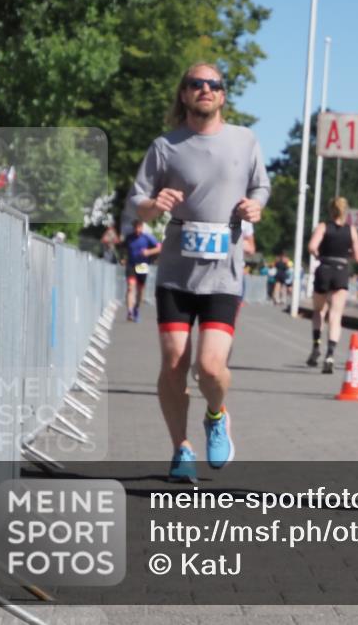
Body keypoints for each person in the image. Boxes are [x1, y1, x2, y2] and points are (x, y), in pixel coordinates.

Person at [127, 62, 270, 483]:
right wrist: (155, 205)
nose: (205, 89)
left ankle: (216, 413)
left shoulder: (244, 140)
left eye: (213, 84)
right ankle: (180, 450)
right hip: (176, 273)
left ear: (223, 95)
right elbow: (139, 198)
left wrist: (255, 206)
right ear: (184, 94)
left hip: (224, 274)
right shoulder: (166, 146)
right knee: (173, 363)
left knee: (210, 367)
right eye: (196, 84)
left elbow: (260, 186)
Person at [306, 197, 358, 373]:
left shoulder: (324, 227)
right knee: (336, 315)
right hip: (340, 270)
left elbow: (312, 246)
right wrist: (347, 256)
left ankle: (316, 345)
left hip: (324, 268)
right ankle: (330, 355)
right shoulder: (351, 230)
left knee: (318, 310)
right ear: (345, 212)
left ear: (330, 211)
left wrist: (318, 255)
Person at [123, 219, 160, 321]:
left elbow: (159, 247)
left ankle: (136, 308)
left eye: (139, 227)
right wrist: (123, 258)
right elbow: (123, 248)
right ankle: (130, 312)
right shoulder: (129, 238)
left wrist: (149, 252)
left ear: (142, 227)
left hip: (142, 265)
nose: (137, 229)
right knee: (130, 287)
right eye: (135, 227)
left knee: (140, 290)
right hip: (131, 265)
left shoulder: (148, 238)